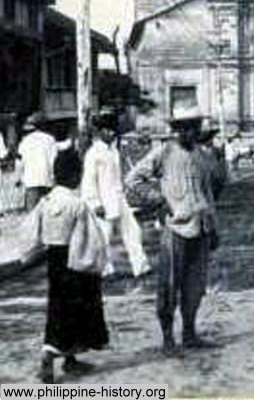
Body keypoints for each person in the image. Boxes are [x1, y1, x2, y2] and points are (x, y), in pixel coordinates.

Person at [125, 108, 219, 356]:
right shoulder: (164, 152)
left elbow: (208, 192)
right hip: (176, 229)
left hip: (201, 227)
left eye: (195, 127)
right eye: (185, 127)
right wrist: (159, 200)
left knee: (195, 285)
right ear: (177, 129)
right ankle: (168, 339)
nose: (191, 132)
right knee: (169, 285)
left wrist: (214, 226)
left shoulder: (202, 155)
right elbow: (133, 180)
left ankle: (189, 333)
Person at [23, 148, 109, 383]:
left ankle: (69, 358)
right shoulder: (77, 204)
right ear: (74, 176)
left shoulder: (45, 202)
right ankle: (50, 355)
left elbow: (31, 232)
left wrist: (31, 252)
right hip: (74, 259)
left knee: (57, 306)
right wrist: (95, 264)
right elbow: (89, 239)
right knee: (75, 309)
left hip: (54, 259)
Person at [81, 110, 151, 280]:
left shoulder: (114, 151)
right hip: (102, 201)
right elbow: (89, 181)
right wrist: (95, 202)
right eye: (107, 130)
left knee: (133, 231)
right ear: (100, 132)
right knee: (103, 237)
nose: (111, 133)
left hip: (119, 198)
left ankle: (140, 267)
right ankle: (106, 270)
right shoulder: (93, 153)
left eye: (113, 130)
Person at [16, 112, 61, 211]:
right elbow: (54, 160)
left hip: (30, 181)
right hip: (47, 180)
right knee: (48, 213)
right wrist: (54, 177)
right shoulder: (50, 140)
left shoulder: (25, 141)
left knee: (32, 216)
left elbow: (20, 161)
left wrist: (18, 178)